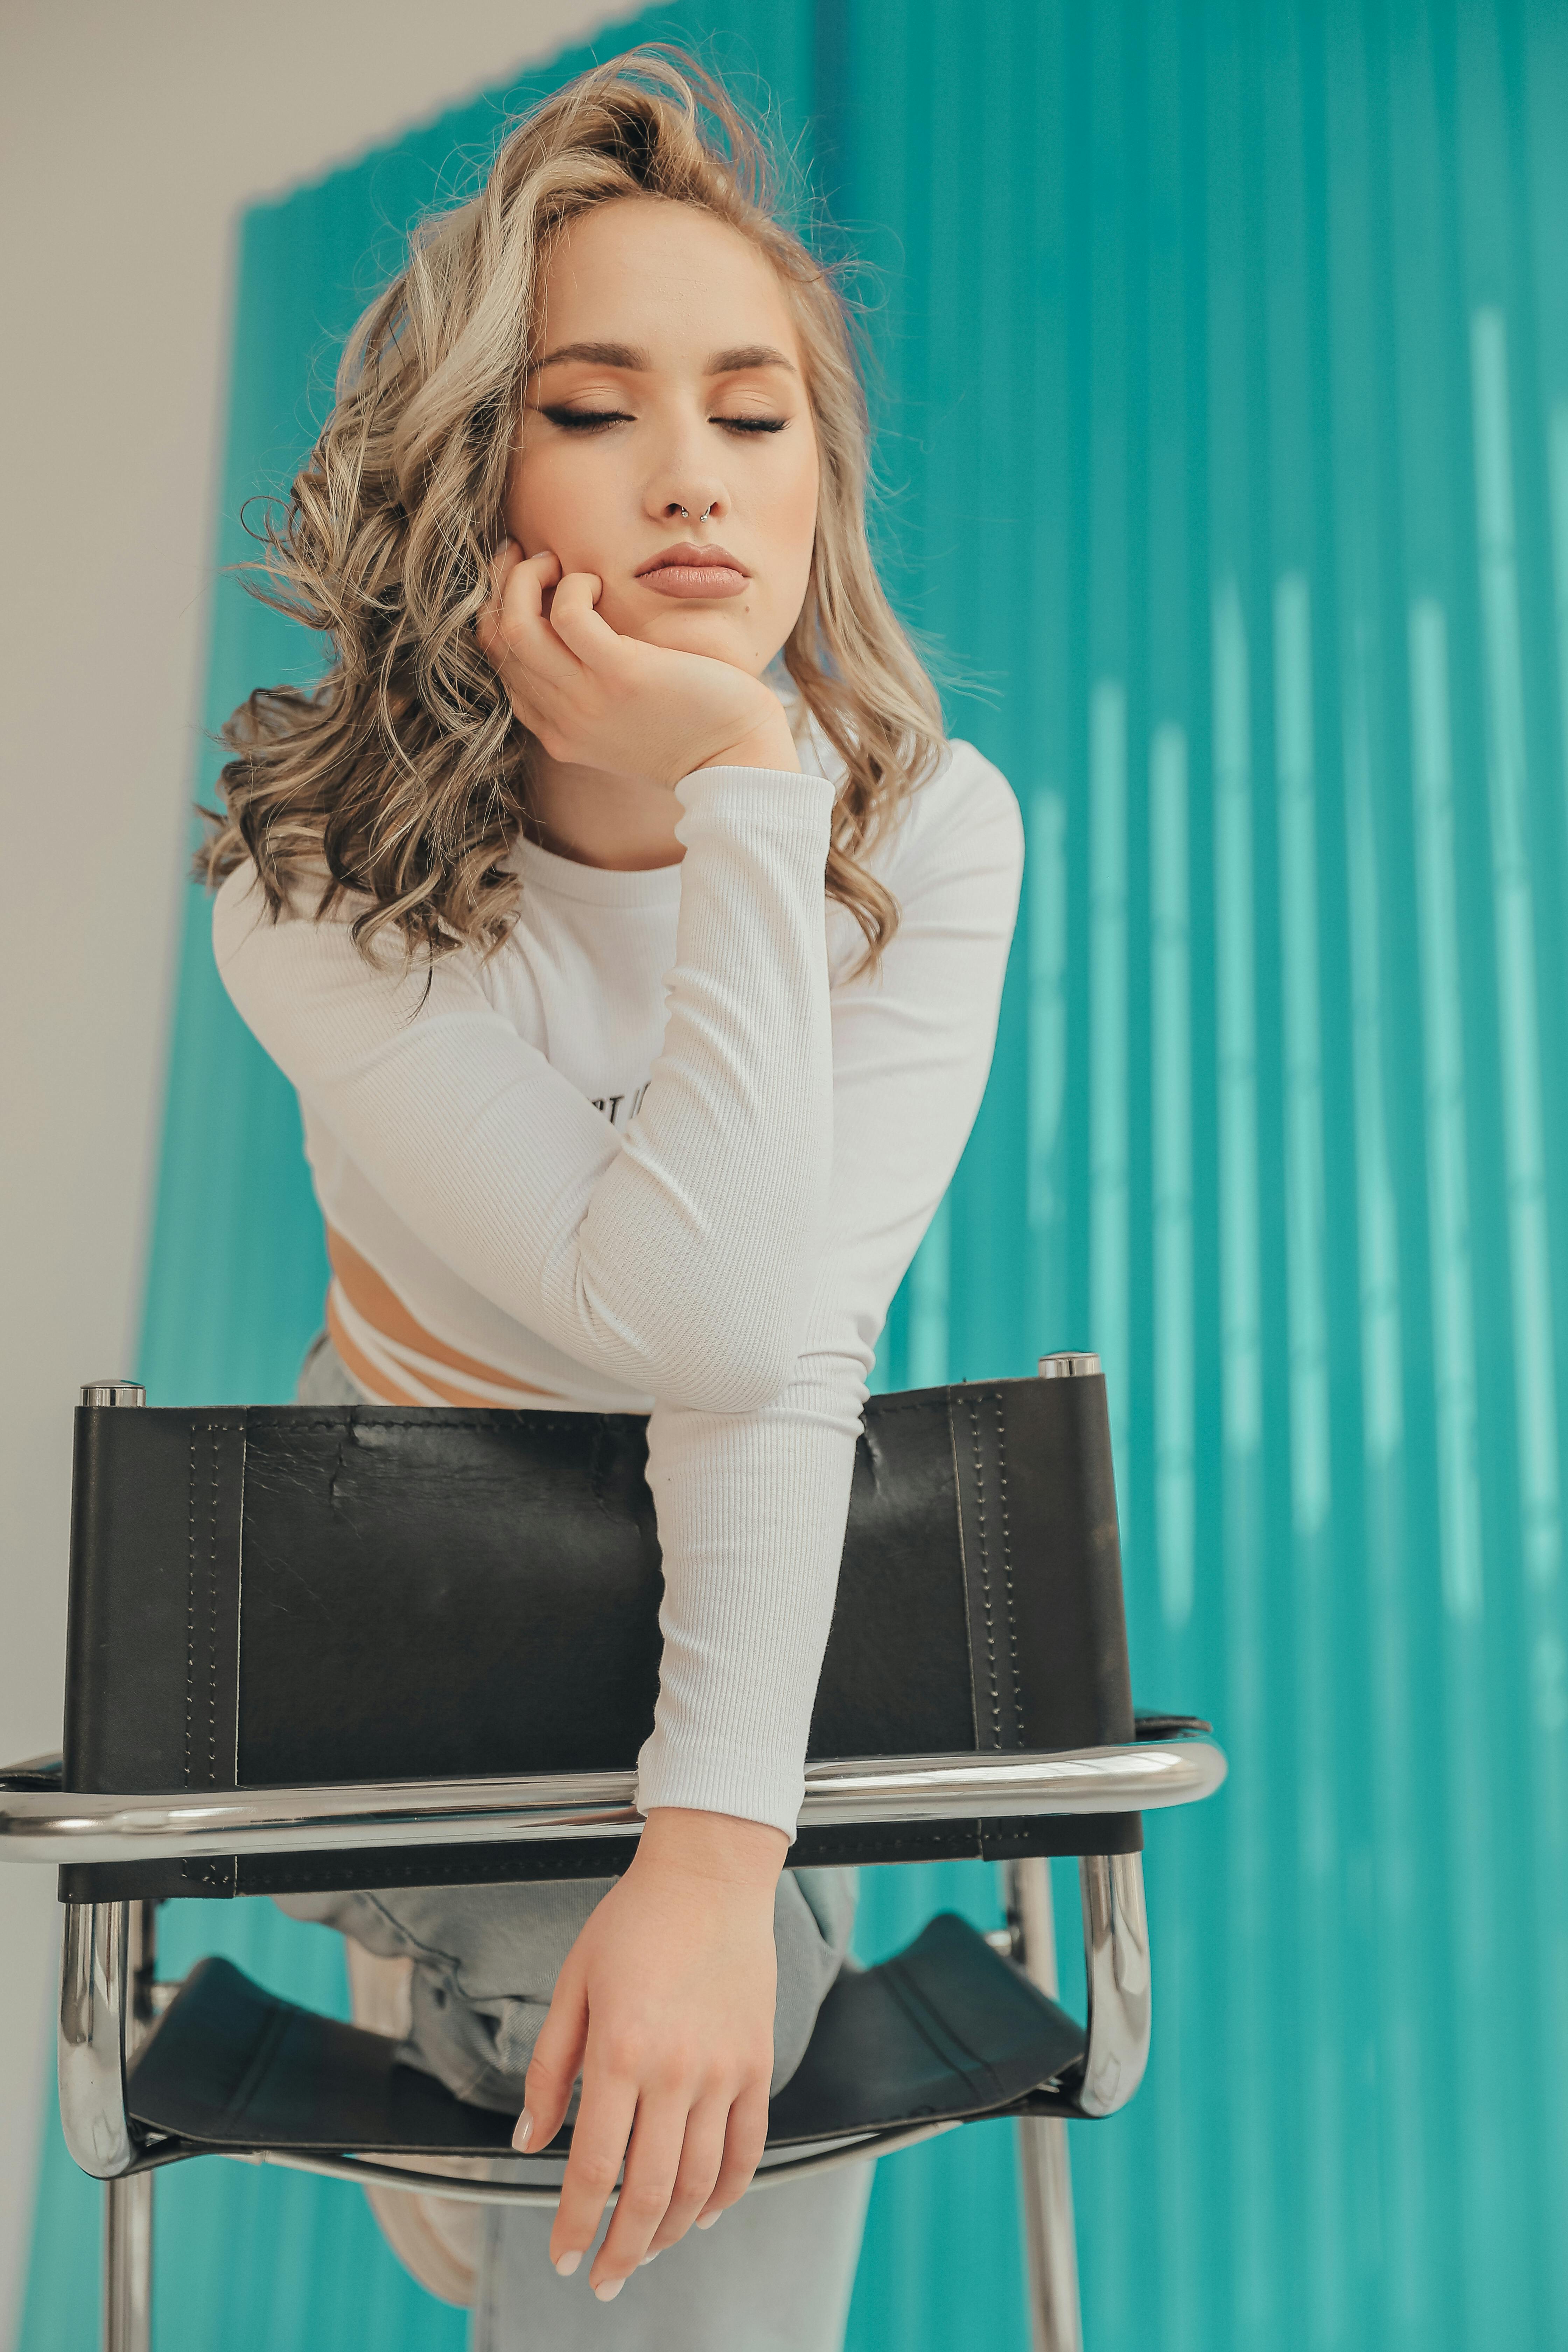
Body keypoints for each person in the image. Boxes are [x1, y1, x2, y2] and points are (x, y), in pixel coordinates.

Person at [202, 48, 1022, 2352]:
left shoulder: (938, 826)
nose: (694, 479)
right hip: (419, 1602)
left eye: (756, 415)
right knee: (702, 2027)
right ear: (476, 470)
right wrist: (745, 796)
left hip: (733, 1572)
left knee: (712, 1991)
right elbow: (687, 1321)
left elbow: (775, 1352)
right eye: (598, 406)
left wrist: (710, 1850)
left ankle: (496, 2128)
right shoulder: (307, 886)